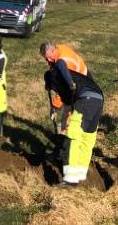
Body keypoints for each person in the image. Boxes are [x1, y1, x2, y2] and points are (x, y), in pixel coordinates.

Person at [41, 42, 104, 186]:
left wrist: (69, 84)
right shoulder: (63, 56)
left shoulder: (59, 71)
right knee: (87, 138)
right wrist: (54, 109)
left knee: (73, 134)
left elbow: (61, 65)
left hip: (85, 99)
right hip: (98, 98)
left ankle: (70, 180)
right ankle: (81, 174)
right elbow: (68, 101)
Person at [40, 42, 90, 135]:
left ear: (53, 50)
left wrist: (54, 107)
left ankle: (70, 136)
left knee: (75, 112)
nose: (49, 60)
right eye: (46, 59)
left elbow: (64, 90)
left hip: (82, 82)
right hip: (72, 80)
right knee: (69, 108)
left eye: (50, 57)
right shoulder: (57, 50)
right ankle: (64, 133)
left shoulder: (65, 62)